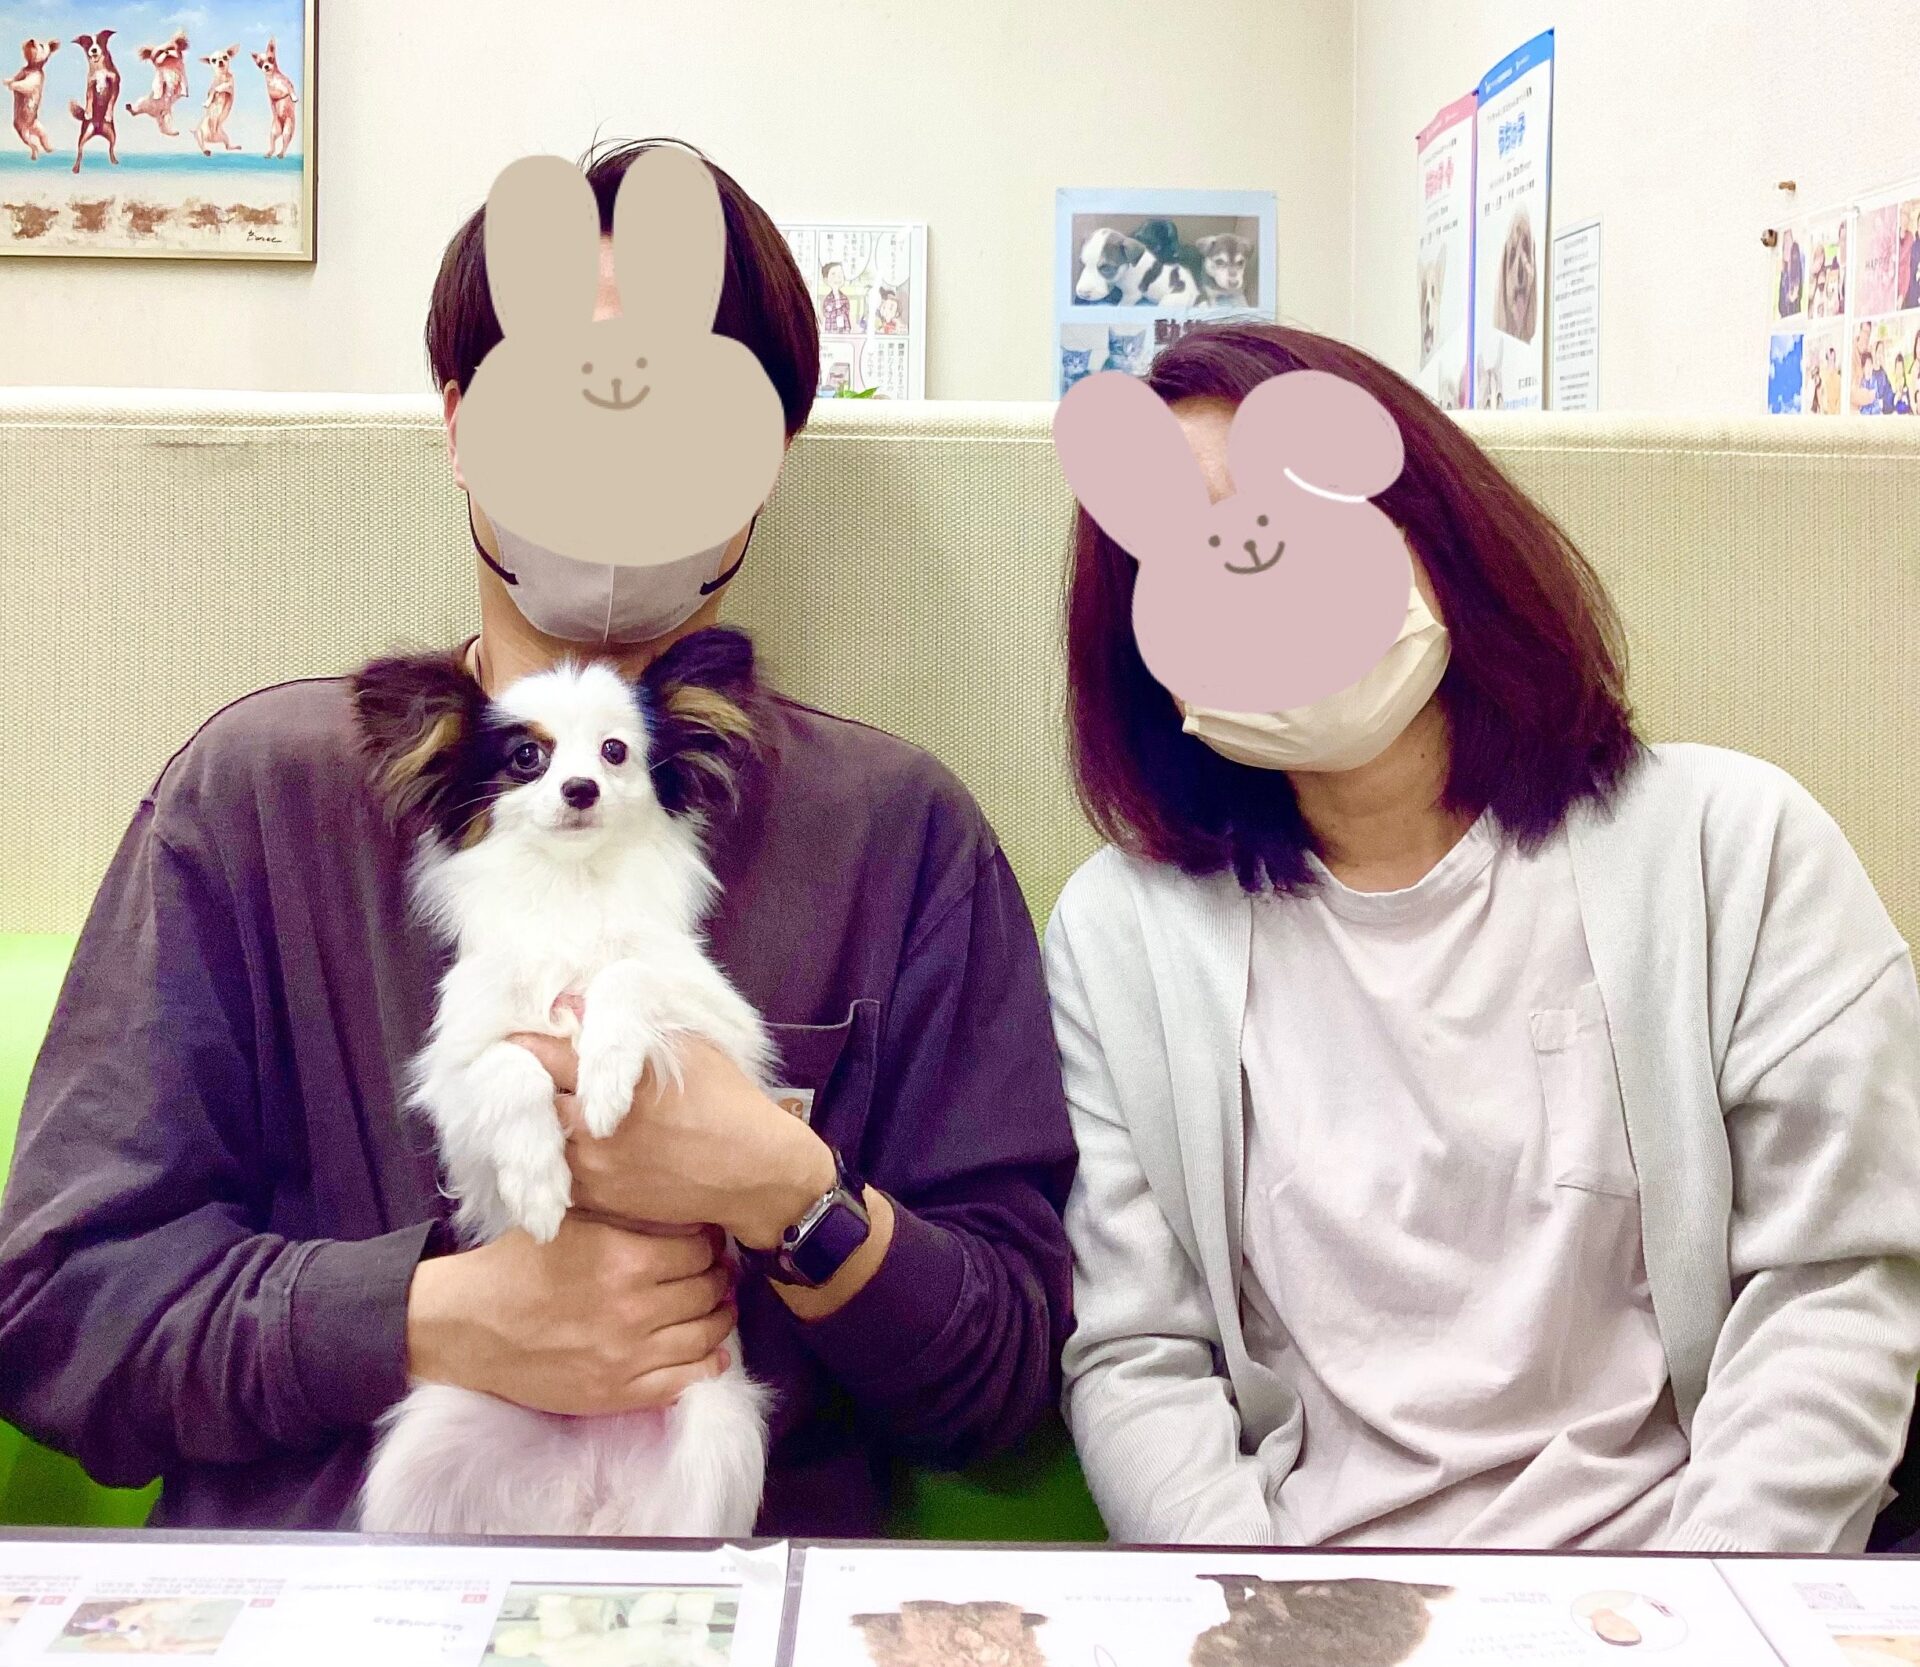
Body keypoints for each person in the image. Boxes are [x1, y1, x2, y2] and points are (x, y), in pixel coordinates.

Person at [0, 137, 1076, 1535]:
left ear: (768, 451)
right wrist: (433, 1314)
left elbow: (1009, 1378)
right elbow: (61, 1310)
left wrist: (786, 1191)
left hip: (723, 1583)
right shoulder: (254, 797)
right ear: (460, 423)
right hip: (325, 1587)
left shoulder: (897, 831)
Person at [1047, 321, 1920, 1553]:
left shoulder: (1736, 848)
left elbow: (1838, 1286)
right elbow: (1140, 1352)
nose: (1253, 559)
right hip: (1309, 1604)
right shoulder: (1122, 935)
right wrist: (1258, 1611)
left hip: (1683, 1585)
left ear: (1433, 520)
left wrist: (1693, 1612)